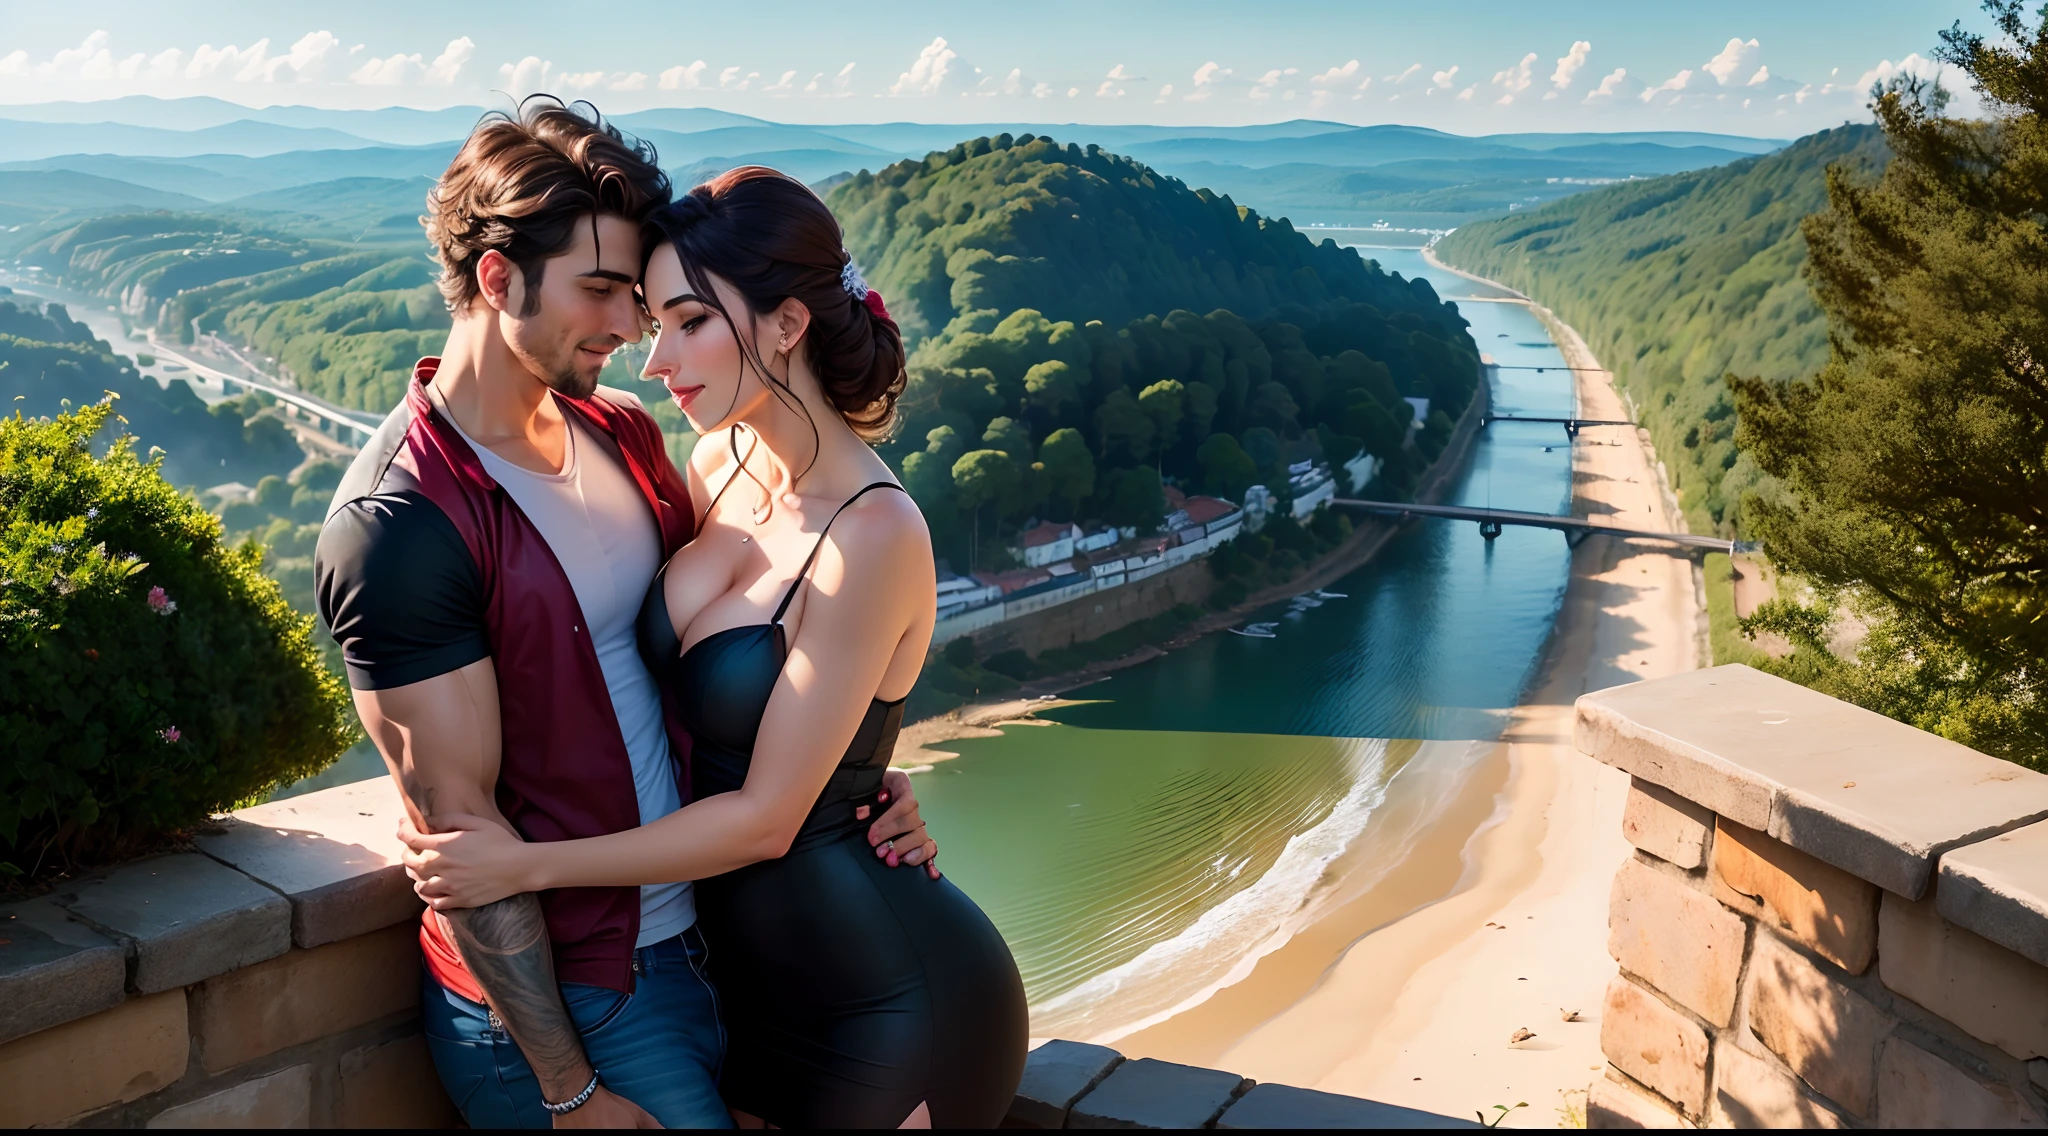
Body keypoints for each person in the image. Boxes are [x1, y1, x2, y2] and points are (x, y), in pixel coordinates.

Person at [315, 101, 939, 1129]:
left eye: (651, 308)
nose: (629, 334)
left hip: (721, 953)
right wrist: (568, 1087)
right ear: (497, 278)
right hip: (588, 1001)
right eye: (604, 293)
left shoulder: (629, 437)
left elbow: (742, 659)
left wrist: (854, 772)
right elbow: (460, 842)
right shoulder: (401, 524)